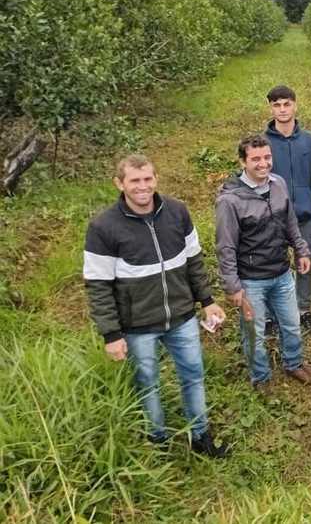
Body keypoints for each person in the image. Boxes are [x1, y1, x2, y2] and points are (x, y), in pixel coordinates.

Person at [83, 154, 228, 456]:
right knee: (147, 383)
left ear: (156, 179)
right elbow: (98, 285)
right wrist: (111, 334)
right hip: (138, 324)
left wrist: (207, 300)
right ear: (119, 184)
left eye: (148, 179)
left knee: (193, 375)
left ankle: (200, 436)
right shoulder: (103, 227)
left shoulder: (177, 211)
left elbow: (194, 260)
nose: (143, 186)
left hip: (182, 316)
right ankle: (157, 440)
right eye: (135, 180)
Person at [215, 134, 311, 392]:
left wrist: (301, 250)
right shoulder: (230, 200)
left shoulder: (278, 184)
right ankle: (260, 377)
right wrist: (233, 286)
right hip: (251, 280)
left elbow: (290, 222)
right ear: (243, 162)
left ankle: (294, 363)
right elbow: (225, 246)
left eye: (267, 157)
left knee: (292, 324)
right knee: (255, 332)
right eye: (256, 159)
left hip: (282, 272)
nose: (263, 164)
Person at [265, 85, 311, 335]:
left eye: (287, 104)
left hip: (304, 217)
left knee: (305, 264)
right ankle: (272, 316)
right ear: (270, 108)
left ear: (295, 105)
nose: (282, 109)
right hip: (272, 219)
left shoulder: (310, 141)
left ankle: (303, 310)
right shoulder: (262, 143)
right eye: (277, 105)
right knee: (272, 265)